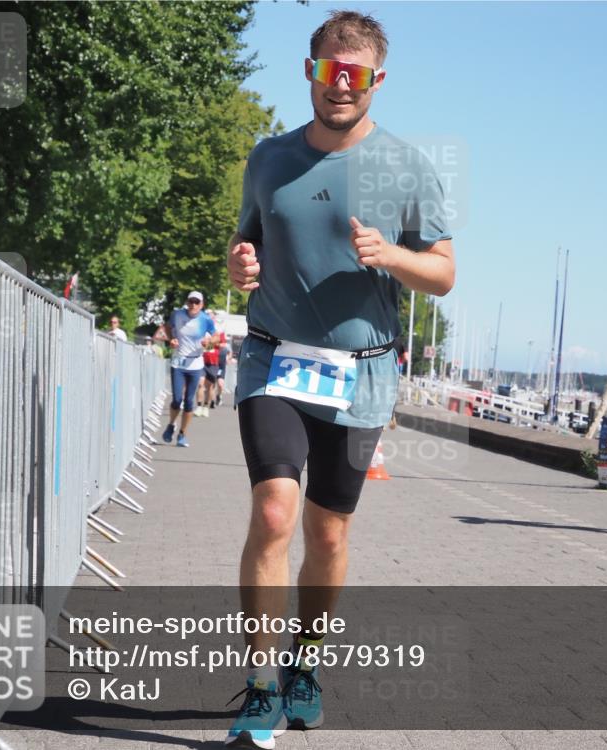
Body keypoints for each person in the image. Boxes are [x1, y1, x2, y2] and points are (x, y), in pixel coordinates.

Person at [224, 10, 455, 748]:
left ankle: (306, 667)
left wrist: (391, 256)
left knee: (326, 533)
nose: (341, 89)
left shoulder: (407, 168)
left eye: (356, 78)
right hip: (274, 359)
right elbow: (244, 240)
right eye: (331, 73)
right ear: (310, 71)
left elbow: (444, 273)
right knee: (273, 516)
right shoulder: (269, 159)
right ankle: (261, 686)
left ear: (377, 82)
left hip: (361, 378)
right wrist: (238, 265)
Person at [161, 292, 218, 448]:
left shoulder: (205, 319)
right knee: (177, 399)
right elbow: (166, 327)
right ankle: (171, 424)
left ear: (202, 304)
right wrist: (170, 339)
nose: (193, 305)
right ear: (187, 302)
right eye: (191, 301)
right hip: (178, 363)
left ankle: (182, 433)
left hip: (195, 364)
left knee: (189, 402)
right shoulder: (177, 314)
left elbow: (216, 337)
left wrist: (209, 341)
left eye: (196, 302)